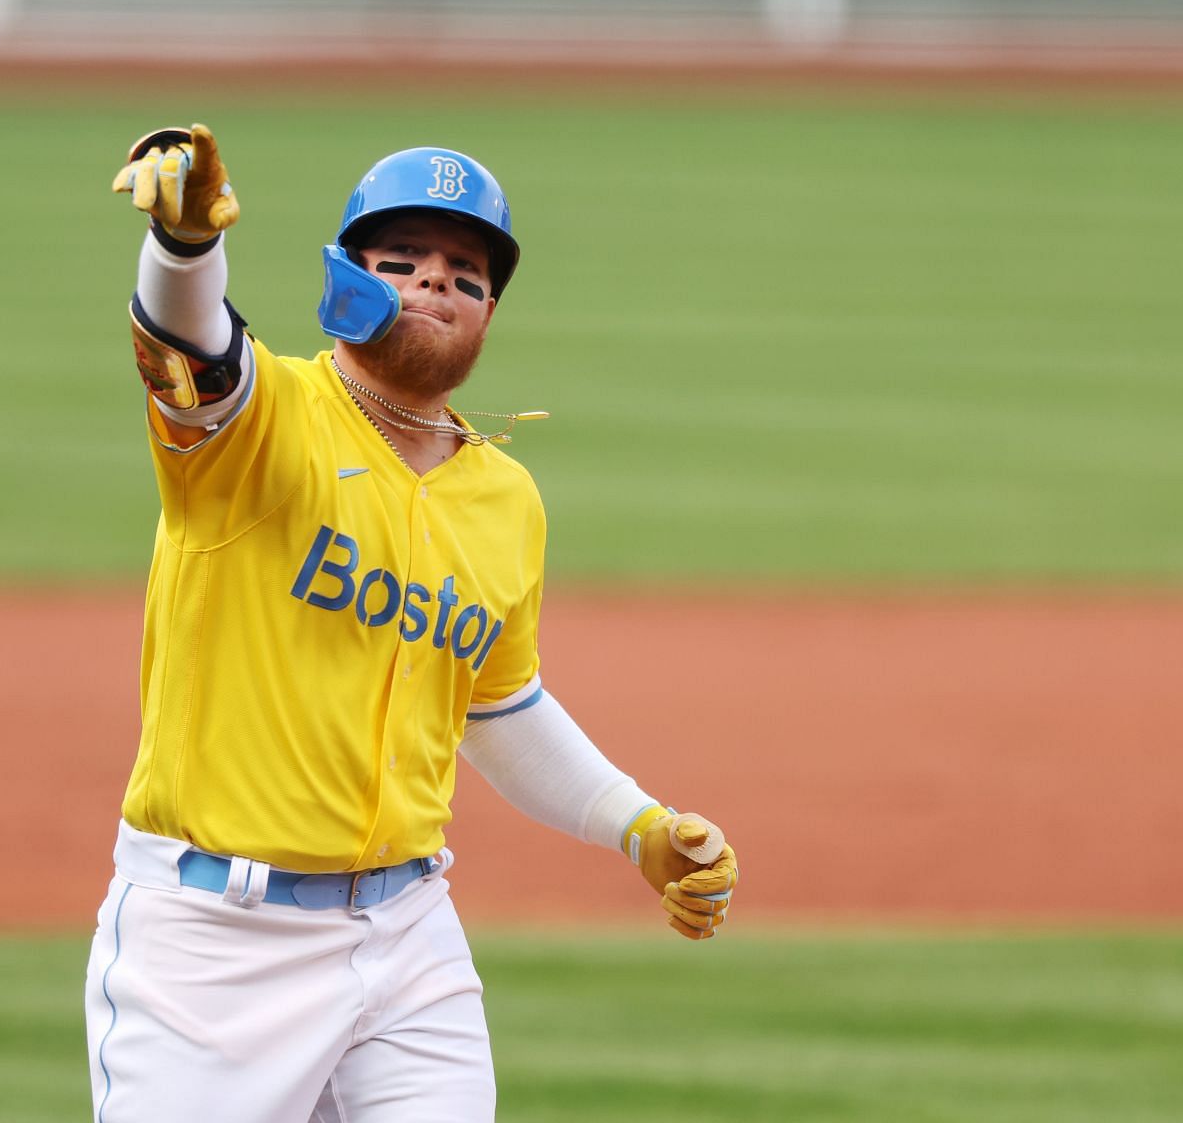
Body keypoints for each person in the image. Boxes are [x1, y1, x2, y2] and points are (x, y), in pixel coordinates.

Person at [83, 124, 740, 1123]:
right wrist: (185, 248)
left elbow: (496, 703)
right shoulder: (261, 426)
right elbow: (190, 344)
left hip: (406, 936)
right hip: (214, 947)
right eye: (405, 259)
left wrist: (635, 824)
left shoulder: (505, 497)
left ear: (489, 316)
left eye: (466, 272)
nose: (437, 280)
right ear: (348, 275)